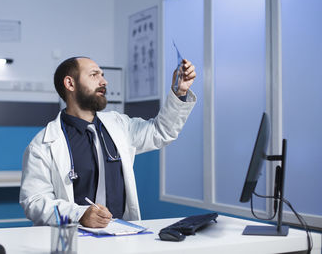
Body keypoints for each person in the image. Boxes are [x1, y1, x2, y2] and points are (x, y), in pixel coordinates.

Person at [20, 56, 197, 228]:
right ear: (70, 83)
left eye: (103, 75)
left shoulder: (119, 125)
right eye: (94, 75)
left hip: (121, 234)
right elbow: (34, 202)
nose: (104, 81)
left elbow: (161, 131)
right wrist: (79, 214)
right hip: (75, 237)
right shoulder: (43, 144)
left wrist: (179, 91)